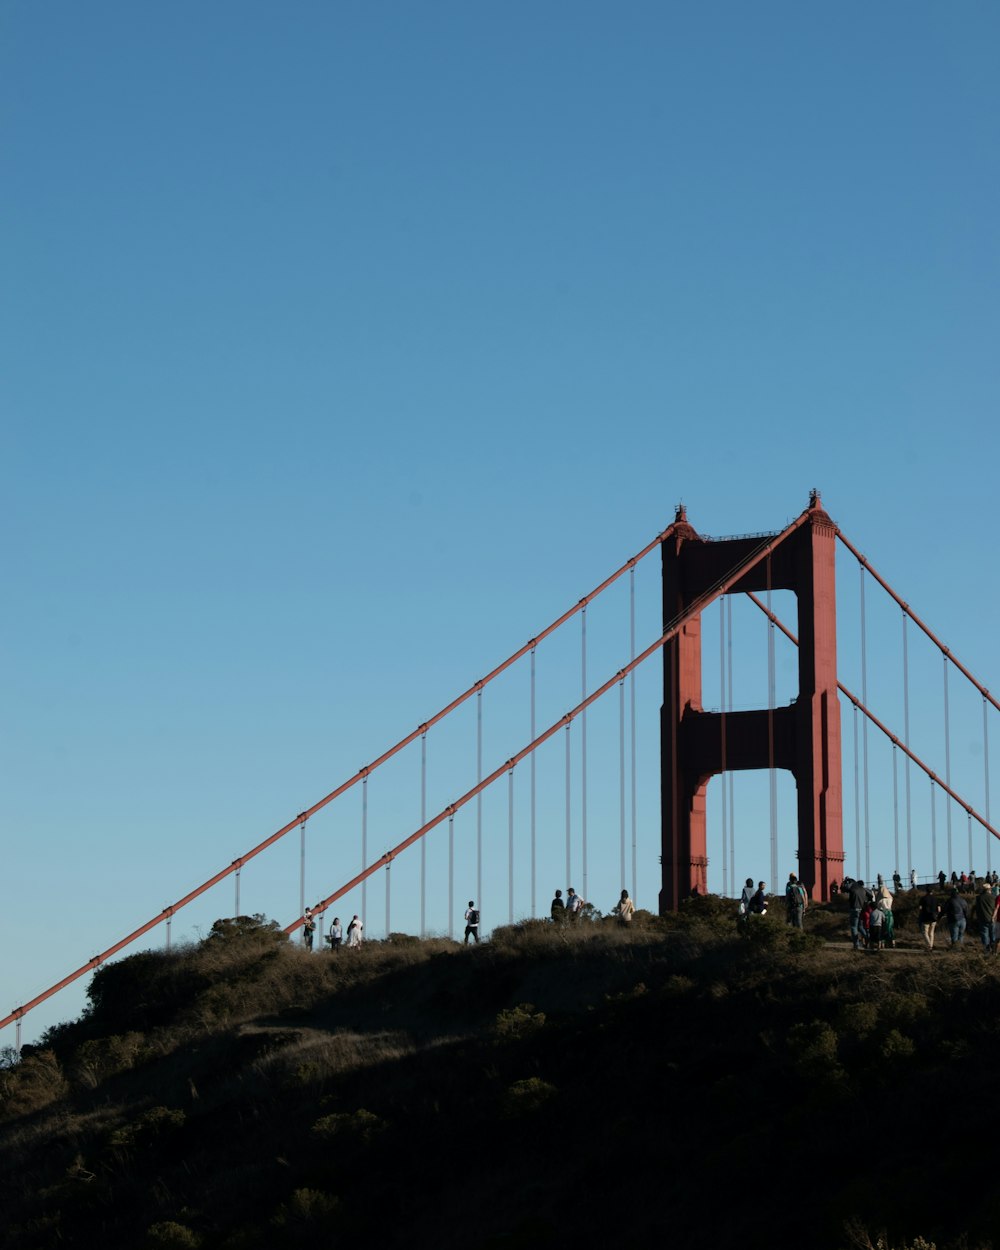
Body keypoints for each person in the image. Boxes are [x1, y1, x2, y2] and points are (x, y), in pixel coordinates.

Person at [974, 885, 996, 953]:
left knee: (985, 935)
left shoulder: (978, 898)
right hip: (992, 919)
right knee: (993, 936)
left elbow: (976, 909)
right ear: (989, 889)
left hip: (982, 919)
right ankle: (994, 950)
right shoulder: (993, 897)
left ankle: (986, 951)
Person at [847, 878, 868, 950]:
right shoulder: (863, 890)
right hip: (861, 910)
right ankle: (868, 938)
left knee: (854, 926)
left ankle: (856, 944)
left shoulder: (853, 889)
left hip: (854, 909)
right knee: (860, 927)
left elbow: (847, 889)